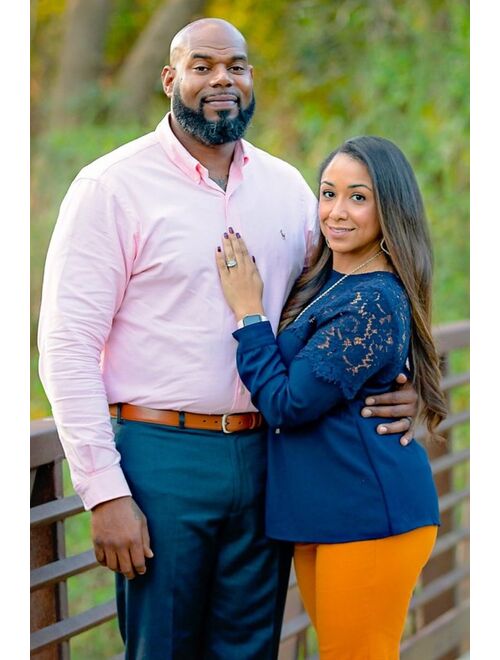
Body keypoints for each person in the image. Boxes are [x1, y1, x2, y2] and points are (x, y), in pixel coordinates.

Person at [38, 18, 418, 660]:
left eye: (236, 66)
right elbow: (68, 346)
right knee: (163, 648)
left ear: (251, 79)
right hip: (162, 458)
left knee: (250, 649)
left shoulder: (289, 189)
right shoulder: (112, 187)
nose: (222, 79)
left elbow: (345, 303)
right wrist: (104, 491)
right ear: (170, 79)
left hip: (272, 459)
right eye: (203, 65)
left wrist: (405, 388)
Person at [215, 135, 447, 659]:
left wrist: (249, 314)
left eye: (358, 197)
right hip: (323, 512)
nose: (337, 212)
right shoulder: (329, 278)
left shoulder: (372, 300)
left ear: (390, 208)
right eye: (328, 193)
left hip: (369, 515)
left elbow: (287, 404)